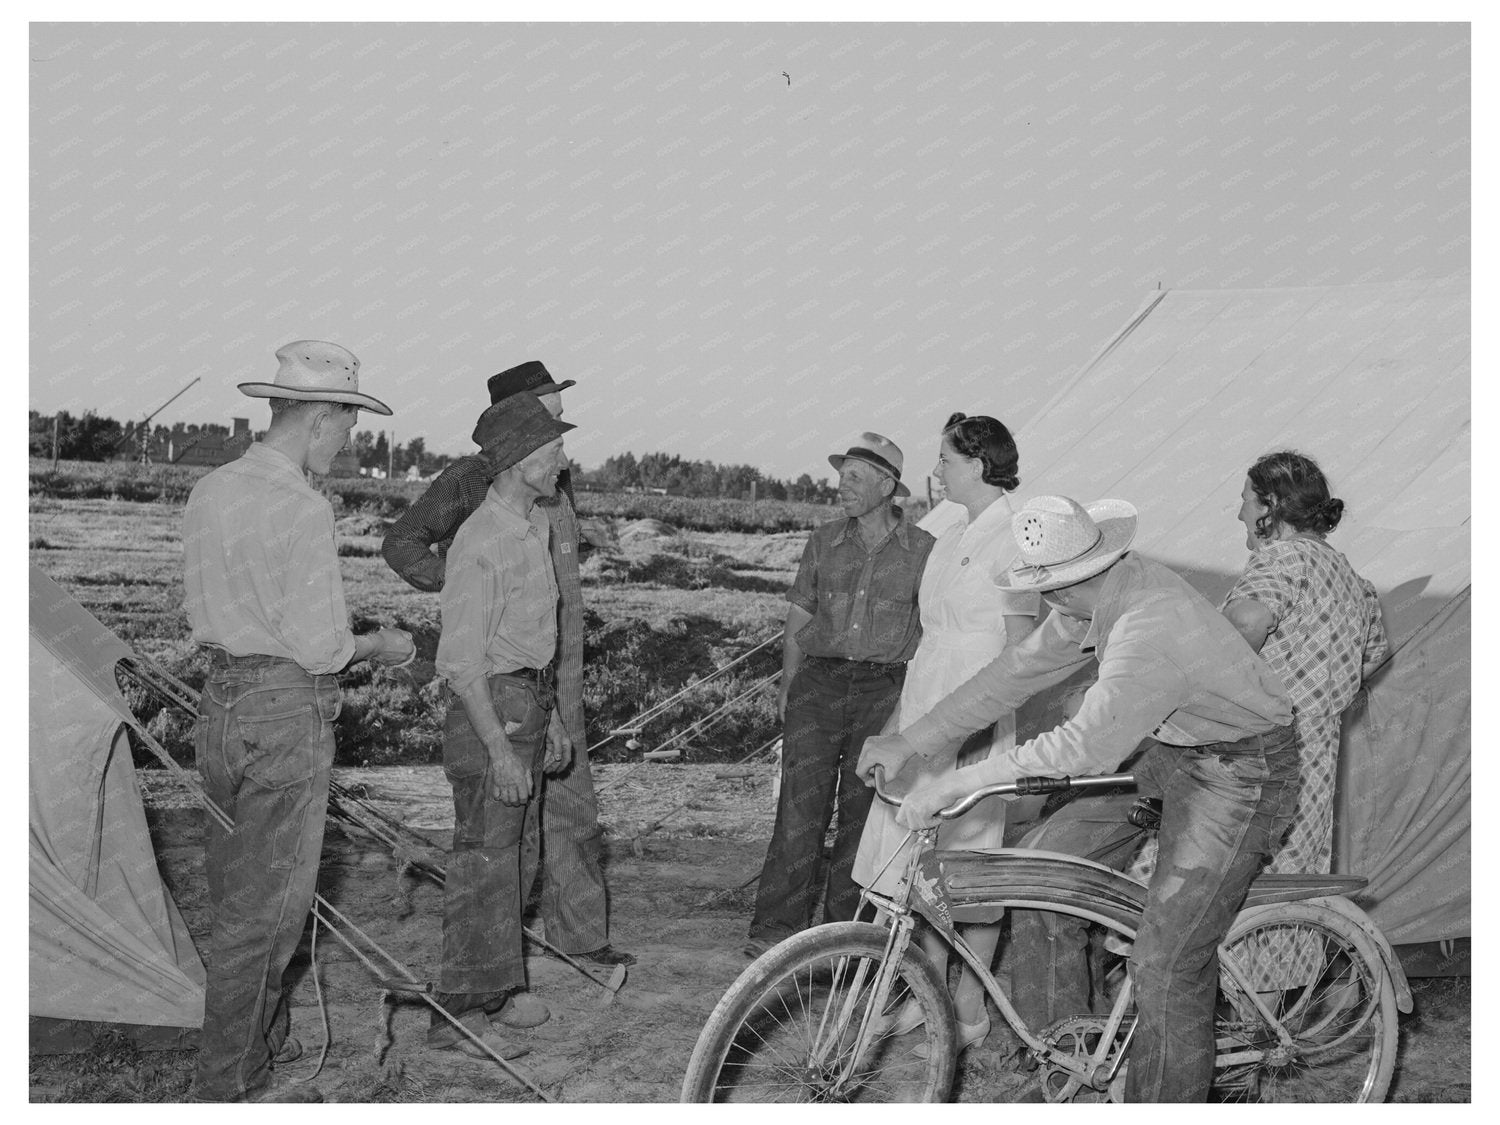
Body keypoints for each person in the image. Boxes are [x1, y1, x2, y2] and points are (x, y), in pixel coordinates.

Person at [858, 494, 1299, 1103]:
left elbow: (1082, 749)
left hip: (1241, 767)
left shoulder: (1150, 621)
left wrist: (958, 781)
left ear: (1075, 580)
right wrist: (912, 741)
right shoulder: (1094, 595)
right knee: (1041, 885)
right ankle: (1069, 1078)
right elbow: (1012, 674)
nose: (1044, 600)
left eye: (1048, 588)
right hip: (1166, 745)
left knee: (1166, 964)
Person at [183, 340, 415, 1102]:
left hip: (217, 704)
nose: (346, 447)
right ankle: (230, 1081)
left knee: (236, 894)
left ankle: (259, 1042)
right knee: (272, 910)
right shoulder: (304, 508)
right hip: (284, 711)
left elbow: (205, 611)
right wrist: (380, 644)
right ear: (321, 419)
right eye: (346, 430)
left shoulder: (211, 489)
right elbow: (322, 646)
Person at [383, 362, 632, 970]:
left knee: (573, 804)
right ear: (518, 412)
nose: (559, 412)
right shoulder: (472, 479)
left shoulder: (552, 478)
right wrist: (463, 588)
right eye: (549, 399)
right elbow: (402, 543)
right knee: (502, 828)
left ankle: (580, 937)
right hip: (501, 672)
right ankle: (492, 964)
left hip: (556, 667)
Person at [852, 413, 1038, 1054]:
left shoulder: (1016, 535)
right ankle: (928, 989)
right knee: (915, 870)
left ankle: (970, 1007)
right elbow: (930, 641)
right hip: (925, 707)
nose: (936, 472)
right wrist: (897, 725)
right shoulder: (951, 527)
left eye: (947, 460)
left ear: (981, 465)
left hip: (975, 718)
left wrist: (980, 734)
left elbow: (1019, 653)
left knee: (968, 869)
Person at [745, 433, 935, 958]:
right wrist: (789, 683)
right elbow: (800, 615)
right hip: (818, 686)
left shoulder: (923, 552)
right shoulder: (823, 540)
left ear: (887, 486)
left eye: (854, 477)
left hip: (883, 690)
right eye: (841, 475)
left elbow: (932, 630)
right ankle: (774, 931)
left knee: (861, 814)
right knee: (799, 809)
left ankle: (842, 936)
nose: (841, 487)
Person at [428, 394, 577, 1058]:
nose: (562, 462)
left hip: (526, 701)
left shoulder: (533, 525)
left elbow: (533, 640)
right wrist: (501, 749)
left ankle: (493, 990)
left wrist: (551, 722)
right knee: (484, 865)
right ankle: (454, 1017)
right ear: (517, 462)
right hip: (489, 707)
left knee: (513, 862)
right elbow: (461, 663)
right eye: (551, 452)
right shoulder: (481, 540)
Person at [1222, 452, 1389, 989]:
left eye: (1246, 501)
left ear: (1271, 505)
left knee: (1220, 874)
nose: (1240, 514)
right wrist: (1325, 692)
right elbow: (1375, 654)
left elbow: (1245, 622)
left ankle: (1217, 1019)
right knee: (1286, 883)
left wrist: (1204, 677)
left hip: (1262, 749)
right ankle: (1262, 1020)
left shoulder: (1282, 559)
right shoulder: (1348, 574)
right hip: (1316, 752)